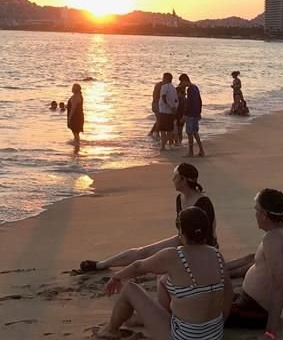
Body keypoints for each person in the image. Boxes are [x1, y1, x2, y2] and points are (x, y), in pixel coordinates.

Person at [94, 206, 232, 340]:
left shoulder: (174, 256)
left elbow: (138, 266)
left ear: (181, 232)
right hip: (214, 334)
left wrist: (117, 276)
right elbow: (228, 294)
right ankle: (164, 317)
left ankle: (110, 330)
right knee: (164, 279)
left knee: (129, 289)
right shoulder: (216, 255)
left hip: (182, 337)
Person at [79, 164, 218, 272]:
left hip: (201, 248)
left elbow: (209, 234)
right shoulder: (179, 198)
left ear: (183, 180)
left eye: (175, 177)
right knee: (143, 252)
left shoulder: (203, 203)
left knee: (151, 263)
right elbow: (181, 231)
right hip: (182, 240)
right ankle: (100, 265)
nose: (172, 179)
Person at [225, 189, 283, 333]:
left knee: (206, 313)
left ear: (264, 215)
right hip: (249, 301)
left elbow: (277, 284)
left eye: (256, 210)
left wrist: (271, 332)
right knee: (216, 295)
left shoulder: (272, 240)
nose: (255, 214)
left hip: (256, 310)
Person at [178, 74, 205, 157]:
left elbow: (189, 103)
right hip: (196, 113)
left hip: (191, 114)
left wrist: (185, 115)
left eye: (181, 82)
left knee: (190, 133)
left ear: (185, 80)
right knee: (195, 133)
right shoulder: (195, 87)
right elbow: (199, 101)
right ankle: (201, 150)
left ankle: (191, 152)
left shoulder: (190, 89)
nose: (181, 84)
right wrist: (199, 112)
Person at [157, 73, 179, 152]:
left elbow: (164, 98)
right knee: (169, 130)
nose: (162, 79)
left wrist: (170, 106)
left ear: (166, 79)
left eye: (163, 78)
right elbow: (176, 100)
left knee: (163, 130)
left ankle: (163, 146)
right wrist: (175, 108)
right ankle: (165, 145)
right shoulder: (173, 88)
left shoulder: (164, 87)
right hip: (171, 112)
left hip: (164, 111)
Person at [67, 83, 85, 148]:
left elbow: (73, 108)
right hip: (80, 117)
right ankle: (77, 148)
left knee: (75, 133)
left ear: (75, 89)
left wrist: (69, 118)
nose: (71, 88)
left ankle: (76, 147)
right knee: (76, 133)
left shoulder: (75, 97)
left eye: (73, 87)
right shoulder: (80, 96)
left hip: (75, 118)